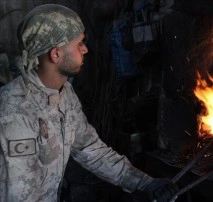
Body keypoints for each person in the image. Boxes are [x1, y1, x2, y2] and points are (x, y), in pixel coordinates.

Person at [0, 4, 177, 202]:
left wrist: (144, 182)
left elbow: (89, 148)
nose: (85, 49)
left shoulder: (64, 92)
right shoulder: (16, 114)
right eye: (79, 43)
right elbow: (20, 197)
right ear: (55, 54)